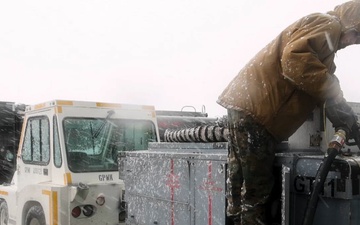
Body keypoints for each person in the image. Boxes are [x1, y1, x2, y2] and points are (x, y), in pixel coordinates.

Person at [217, 1, 360, 224]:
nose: (353, 42)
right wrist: (334, 93)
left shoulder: (326, 44)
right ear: (351, 23)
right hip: (258, 113)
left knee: (239, 188)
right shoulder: (330, 25)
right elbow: (295, 61)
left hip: (245, 107)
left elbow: (317, 78)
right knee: (258, 192)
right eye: (356, 35)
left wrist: (335, 102)